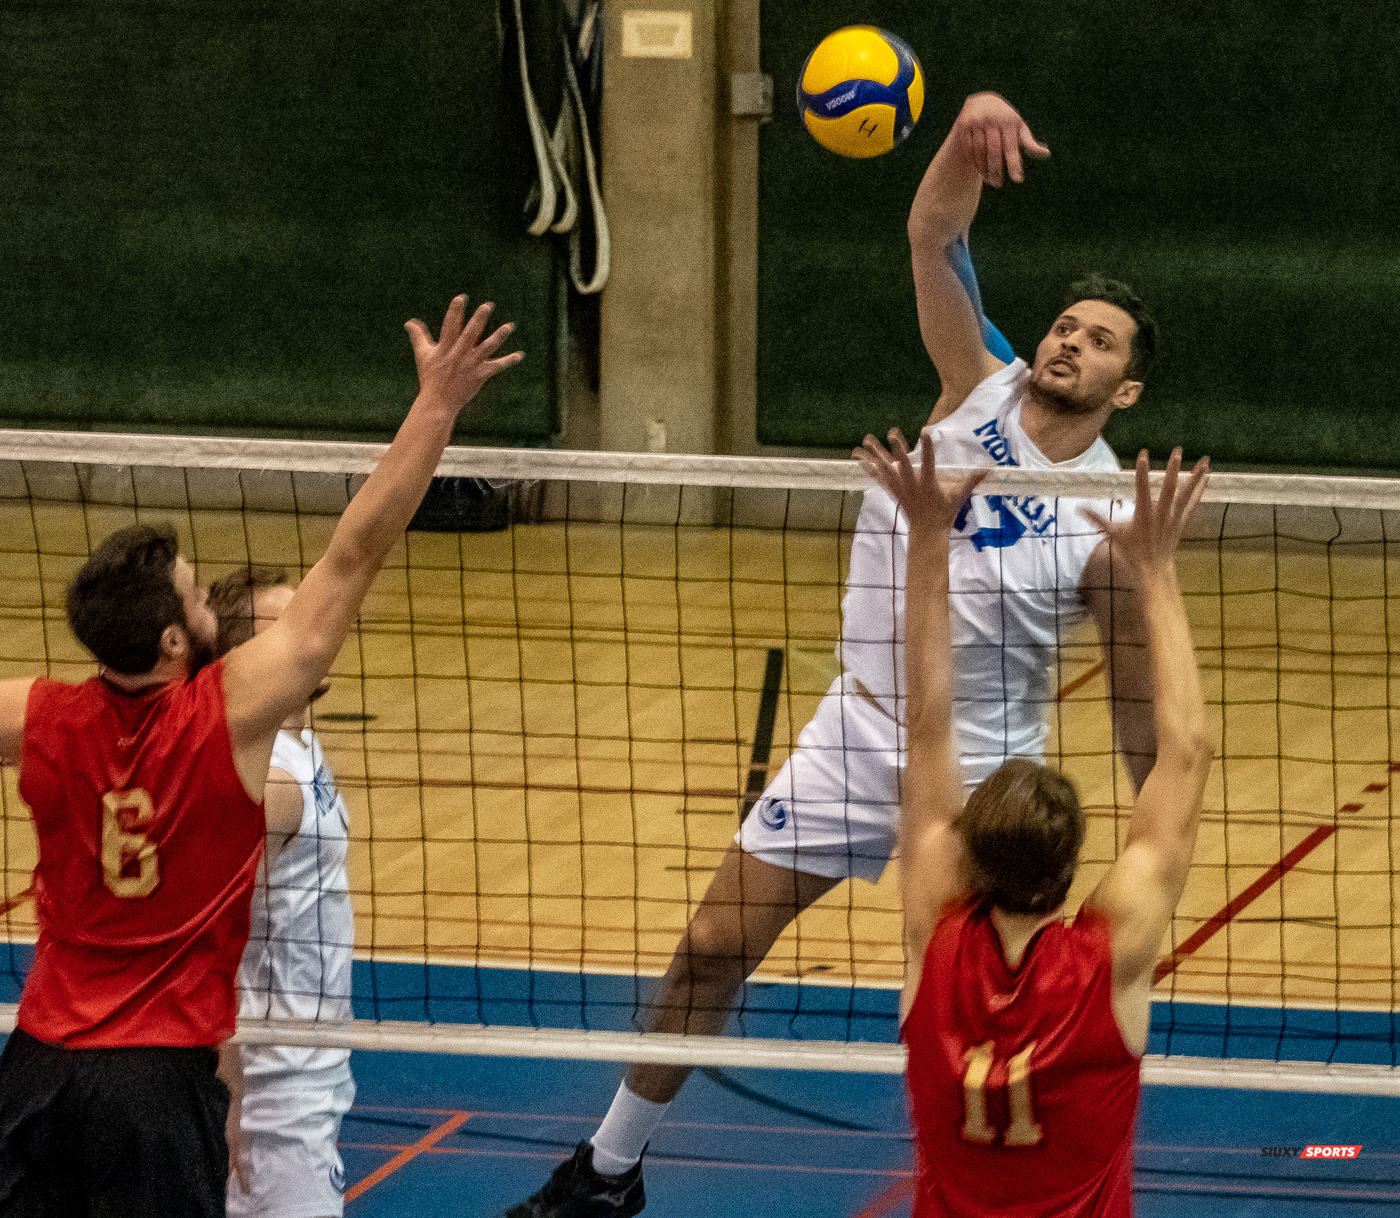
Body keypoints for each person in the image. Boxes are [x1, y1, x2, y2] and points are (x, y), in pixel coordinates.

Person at [499, 91, 1160, 1218]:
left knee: (965, 1020)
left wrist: (1159, 840)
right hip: (853, 732)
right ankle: (606, 1174)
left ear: (1124, 388)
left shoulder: (1109, 522)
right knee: (709, 945)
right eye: (1063, 323)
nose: (1066, 340)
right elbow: (932, 236)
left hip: (976, 780)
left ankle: (996, 1184)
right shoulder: (977, 384)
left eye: (1096, 340)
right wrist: (962, 133)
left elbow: (1144, 715)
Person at [0, 295, 521, 1217]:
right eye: (198, 599)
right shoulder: (228, 724)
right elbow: (357, 550)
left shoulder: (41, 717)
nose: (210, 607)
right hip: (156, 1082)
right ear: (172, 642)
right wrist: (436, 405)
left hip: (37, 1065)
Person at [856, 430, 1211, 1216]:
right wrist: (1154, 570)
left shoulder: (936, 936)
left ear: (969, 856)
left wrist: (925, 540)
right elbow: (1184, 750)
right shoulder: (1108, 958)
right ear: (1077, 856)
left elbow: (928, 726)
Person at [207, 567, 355, 1218]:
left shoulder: (292, 739)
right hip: (272, 1091)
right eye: (289, 625)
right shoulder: (269, 783)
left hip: (308, 1071)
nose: (314, 635)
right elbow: (203, 942)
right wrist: (229, 1098)